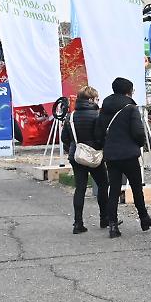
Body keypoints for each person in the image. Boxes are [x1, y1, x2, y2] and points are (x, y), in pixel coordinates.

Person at [95, 77, 151, 238]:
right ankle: (144, 219)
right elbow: (139, 132)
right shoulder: (130, 108)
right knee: (136, 188)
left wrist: (106, 144)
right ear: (128, 91)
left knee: (114, 189)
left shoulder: (104, 108)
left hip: (111, 155)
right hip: (129, 154)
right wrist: (139, 144)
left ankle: (113, 225)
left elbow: (98, 133)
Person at [61, 86, 110, 235]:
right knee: (103, 184)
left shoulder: (71, 116)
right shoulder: (98, 115)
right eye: (97, 98)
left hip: (77, 156)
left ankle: (78, 223)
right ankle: (104, 218)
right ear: (91, 99)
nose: (98, 101)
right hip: (94, 156)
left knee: (80, 188)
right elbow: (101, 137)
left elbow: (65, 138)